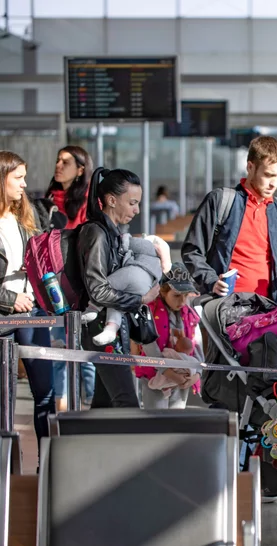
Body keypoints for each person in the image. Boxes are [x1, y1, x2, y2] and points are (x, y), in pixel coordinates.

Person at [181, 136, 277, 302]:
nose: (274, 183)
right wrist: (211, 281)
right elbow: (192, 251)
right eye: (268, 175)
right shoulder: (221, 201)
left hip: (268, 305)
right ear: (250, 167)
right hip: (226, 306)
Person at [79, 167, 160, 408]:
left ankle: (89, 435)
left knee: (104, 405)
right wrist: (140, 299)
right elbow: (98, 290)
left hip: (108, 328)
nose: (137, 210)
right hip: (100, 328)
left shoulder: (111, 233)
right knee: (127, 403)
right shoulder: (97, 233)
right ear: (111, 200)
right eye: (132, 203)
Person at [0, 151, 53, 445]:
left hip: (32, 312)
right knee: (3, 399)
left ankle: (48, 460)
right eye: (18, 178)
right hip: (5, 317)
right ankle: (6, 463)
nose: (24, 184)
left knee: (45, 391)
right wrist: (10, 299)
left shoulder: (25, 216)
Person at [42, 146, 96, 408]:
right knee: (57, 346)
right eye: (57, 161)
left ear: (80, 169)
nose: (59, 166)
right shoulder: (49, 200)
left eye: (66, 162)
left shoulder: (88, 200)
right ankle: (61, 404)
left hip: (79, 282)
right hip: (52, 282)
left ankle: (90, 404)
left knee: (85, 348)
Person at [135, 263, 204, 410]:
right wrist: (169, 373)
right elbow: (149, 346)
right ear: (163, 291)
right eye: (177, 295)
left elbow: (198, 346)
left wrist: (197, 374)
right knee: (155, 418)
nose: (182, 301)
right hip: (155, 377)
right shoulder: (149, 312)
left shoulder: (190, 315)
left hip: (184, 377)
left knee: (177, 418)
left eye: (186, 295)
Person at [83, 232, 171, 345]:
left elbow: (127, 244)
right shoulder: (157, 264)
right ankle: (111, 328)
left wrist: (125, 237)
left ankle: (92, 309)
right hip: (145, 289)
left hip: (132, 274)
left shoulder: (147, 246)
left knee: (106, 286)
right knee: (117, 304)